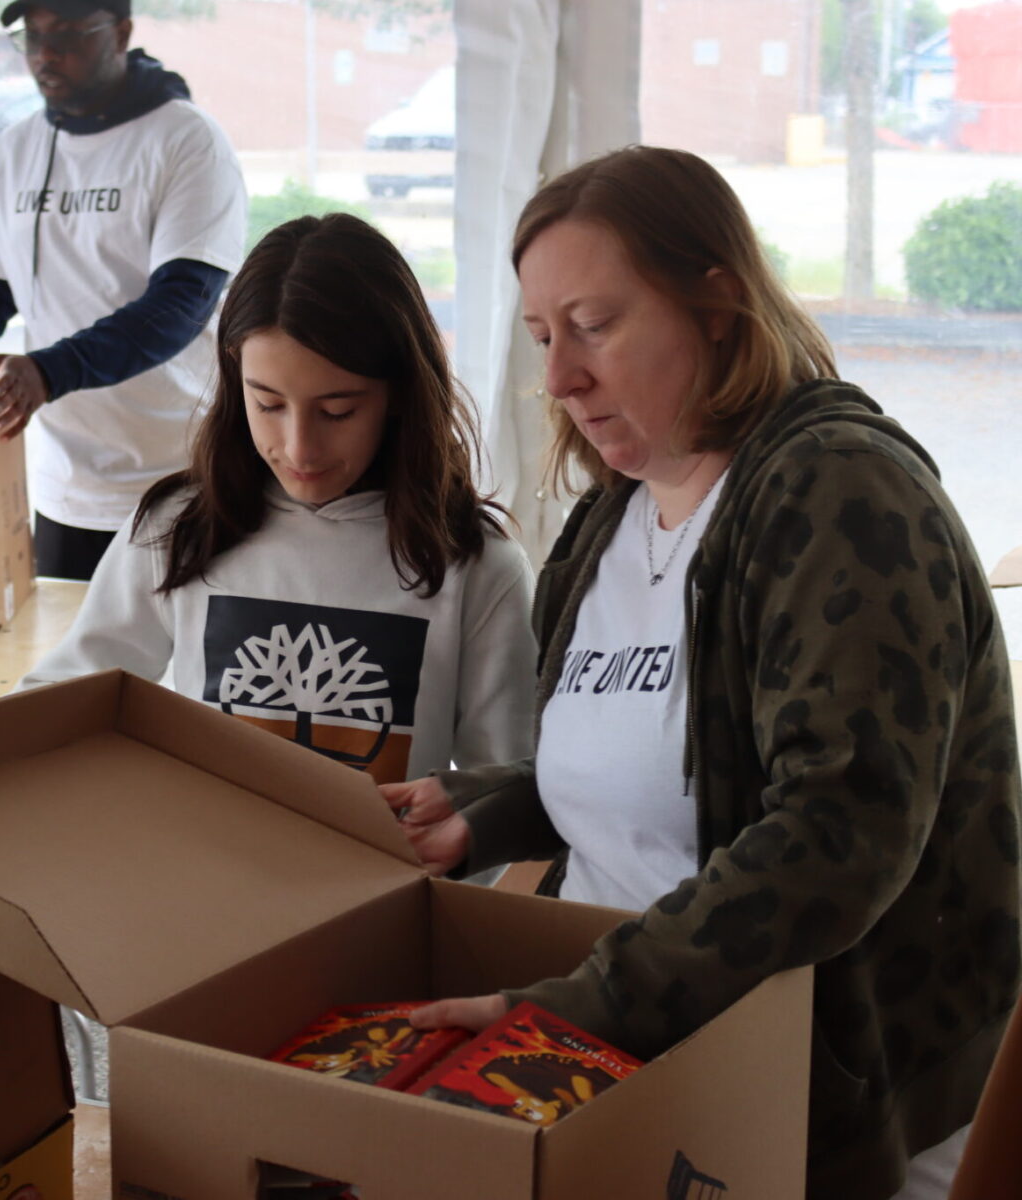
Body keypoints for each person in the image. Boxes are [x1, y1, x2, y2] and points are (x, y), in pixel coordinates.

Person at [383, 146, 1022, 1200]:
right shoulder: (607, 518)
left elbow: (836, 834)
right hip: (636, 1061)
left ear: (718, 303)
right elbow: (661, 775)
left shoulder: (839, 494)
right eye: (543, 337)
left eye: (593, 325)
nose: (560, 379)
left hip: (824, 1104)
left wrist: (582, 1005)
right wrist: (487, 810)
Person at [18, 212, 537, 821]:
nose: (299, 449)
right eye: (267, 404)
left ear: (399, 394)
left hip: (387, 899)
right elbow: (65, 702)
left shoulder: (477, 564)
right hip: (209, 886)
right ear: (235, 380)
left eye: (338, 411)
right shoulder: (177, 528)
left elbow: (502, 796)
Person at [0, 0, 247, 581]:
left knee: (180, 673)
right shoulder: (15, 150)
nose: (45, 54)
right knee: (75, 670)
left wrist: (49, 369)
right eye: (31, 37)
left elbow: (181, 306)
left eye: (67, 34)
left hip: (182, 477)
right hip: (67, 488)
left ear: (121, 33)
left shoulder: (187, 141)